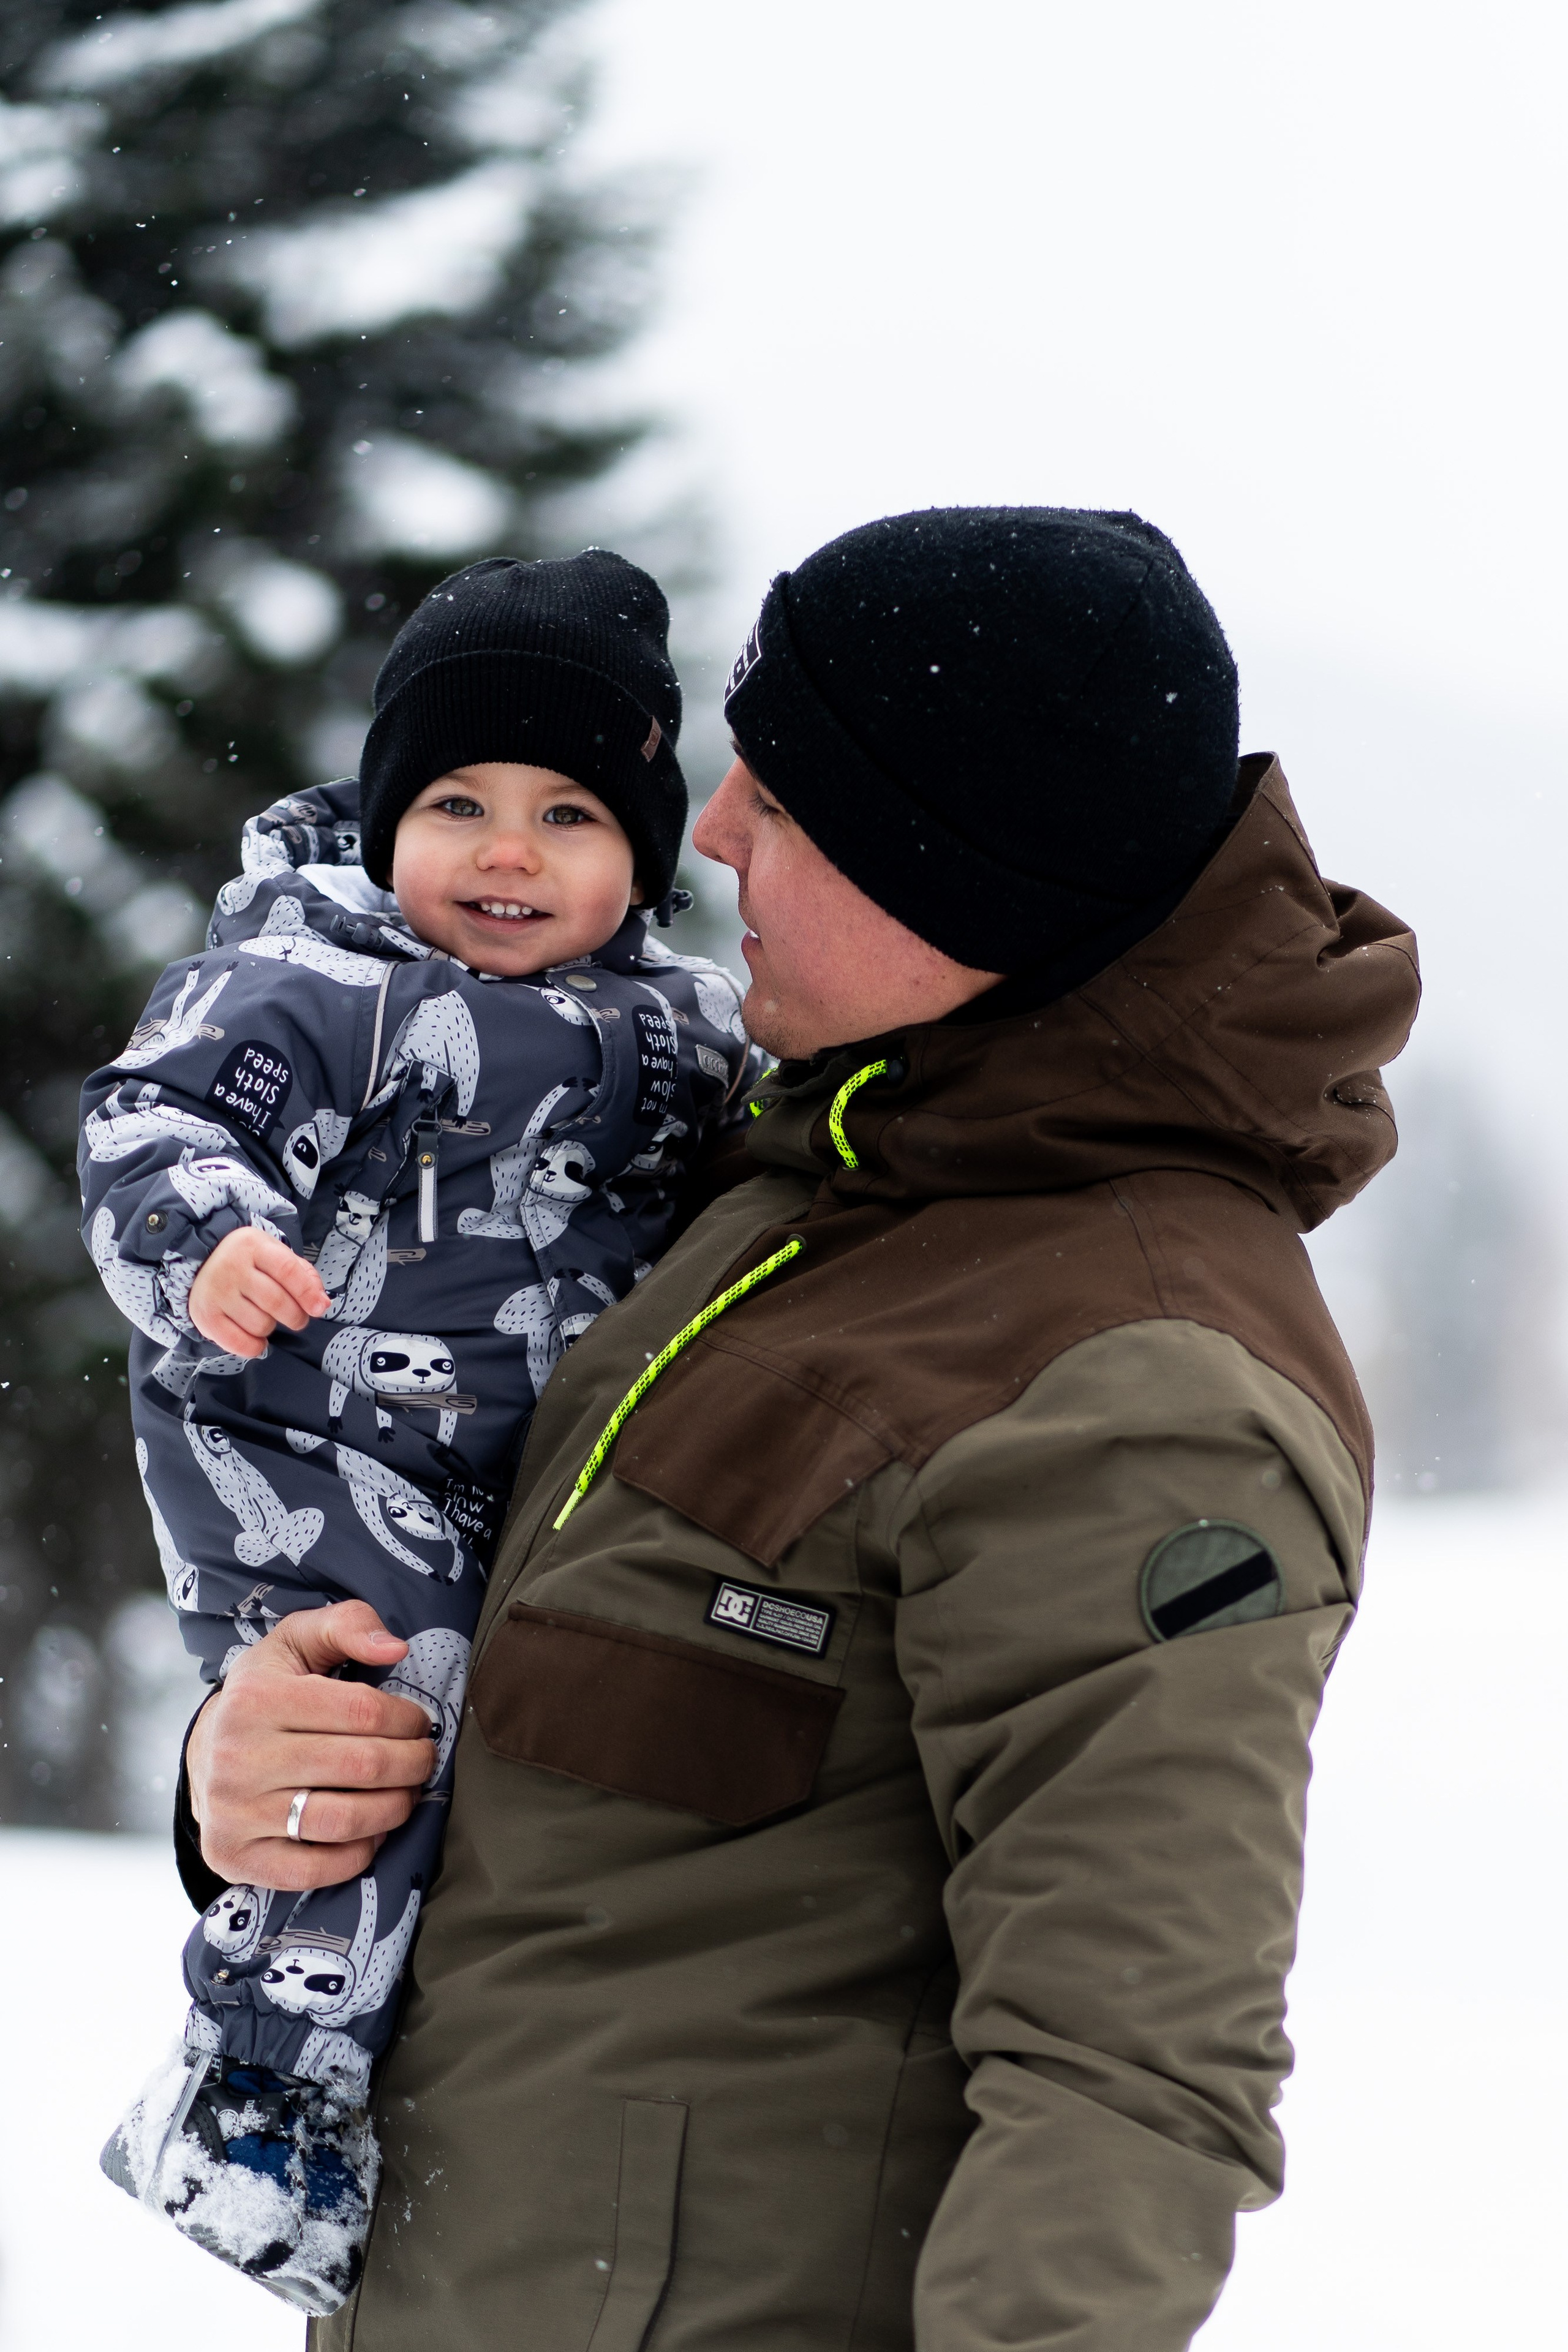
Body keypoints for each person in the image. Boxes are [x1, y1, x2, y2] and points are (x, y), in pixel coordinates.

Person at [178, 508, 1420, 2352]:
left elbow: (1127, 2090)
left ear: (960, 872)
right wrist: (269, 1765)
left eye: (789, 797)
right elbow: (591, 1763)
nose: (713, 832)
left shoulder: (1138, 1381)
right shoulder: (770, 1193)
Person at [78, 551, 756, 2316]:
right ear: (386, 822)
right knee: (384, 1723)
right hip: (309, 1434)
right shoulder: (316, 979)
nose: (506, 853)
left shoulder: (687, 1027)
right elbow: (155, 1121)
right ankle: (256, 2093)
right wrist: (210, 1243)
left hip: (507, 1461)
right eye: (456, 803)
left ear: (643, 859)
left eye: (567, 814)